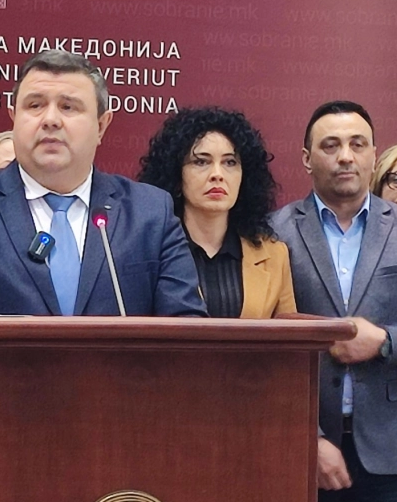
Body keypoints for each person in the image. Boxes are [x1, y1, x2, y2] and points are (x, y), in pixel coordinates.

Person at [0, 49, 206, 318]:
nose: (50, 120)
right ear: (13, 118)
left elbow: (187, 334)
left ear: (102, 126)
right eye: (35, 105)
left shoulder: (150, 213)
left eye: (68, 107)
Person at [271, 100, 397, 502]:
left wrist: (385, 341)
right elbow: (264, 350)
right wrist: (311, 436)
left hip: (390, 451)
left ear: (373, 155)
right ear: (306, 159)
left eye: (357, 144)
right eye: (331, 145)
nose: (345, 156)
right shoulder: (273, 234)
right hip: (301, 447)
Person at [139, 107, 296, 318]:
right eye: (201, 162)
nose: (217, 174)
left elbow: (288, 335)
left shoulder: (274, 255)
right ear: (176, 174)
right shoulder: (149, 250)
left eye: (230, 162)